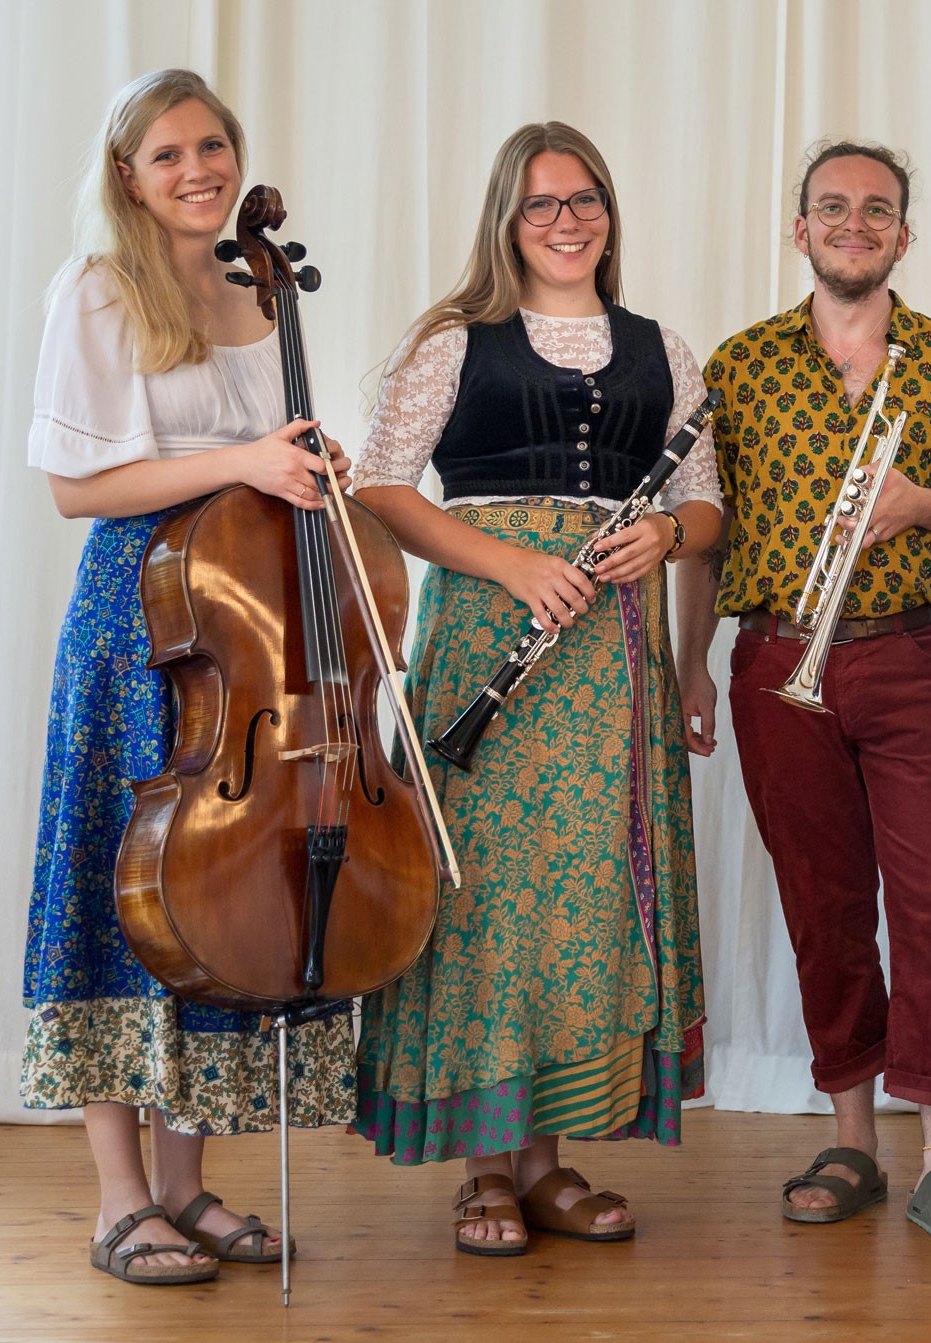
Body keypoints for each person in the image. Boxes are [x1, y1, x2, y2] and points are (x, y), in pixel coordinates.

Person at [350, 121, 720, 1258]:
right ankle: (482, 1171)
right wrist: (510, 561)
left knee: (587, 897)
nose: (568, 222)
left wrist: (661, 529)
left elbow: (706, 509)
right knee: (482, 897)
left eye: (585, 200)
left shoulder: (666, 346)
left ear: (609, 211)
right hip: (485, 644)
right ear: (507, 221)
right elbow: (379, 487)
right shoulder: (456, 342)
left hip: (608, 653)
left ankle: (551, 1162)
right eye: (542, 205)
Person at [23, 68, 355, 1286]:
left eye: (212, 147)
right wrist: (243, 458)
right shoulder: (99, 289)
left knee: (211, 893)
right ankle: (121, 1201)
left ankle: (188, 1186)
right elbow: (75, 486)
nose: (198, 170)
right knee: (123, 892)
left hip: (252, 616)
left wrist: (306, 460)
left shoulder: (248, 283)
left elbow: (266, 461)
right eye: (168, 155)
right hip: (142, 619)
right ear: (128, 174)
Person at [681, 140, 931, 1244]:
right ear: (800, 230)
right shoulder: (738, 367)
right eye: (831, 208)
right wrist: (686, 664)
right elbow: (704, 538)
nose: (853, 223)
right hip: (775, 660)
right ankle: (851, 1137)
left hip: (910, 654)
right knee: (824, 907)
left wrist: (920, 502)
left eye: (875, 209)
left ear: (903, 233)